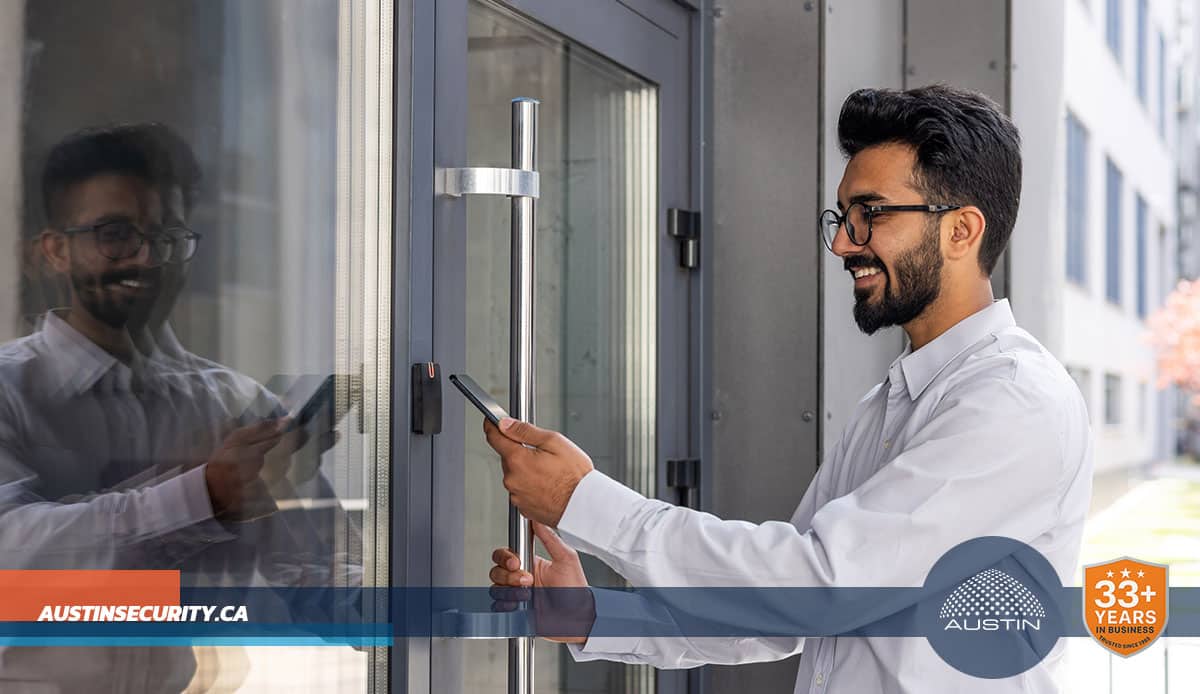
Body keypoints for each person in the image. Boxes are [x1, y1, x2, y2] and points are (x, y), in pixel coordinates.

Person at [483, 85, 1093, 692]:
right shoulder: (892, 401)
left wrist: (582, 501)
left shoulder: (1014, 401)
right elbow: (780, 612)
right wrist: (593, 617)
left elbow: (817, 588)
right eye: (843, 217)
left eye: (871, 215)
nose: (843, 244)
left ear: (962, 231)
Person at [0, 124, 355, 691]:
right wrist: (204, 495)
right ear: (56, 251)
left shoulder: (238, 406)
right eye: (116, 233)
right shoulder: (7, 391)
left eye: (167, 237)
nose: (146, 257)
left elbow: (331, 592)